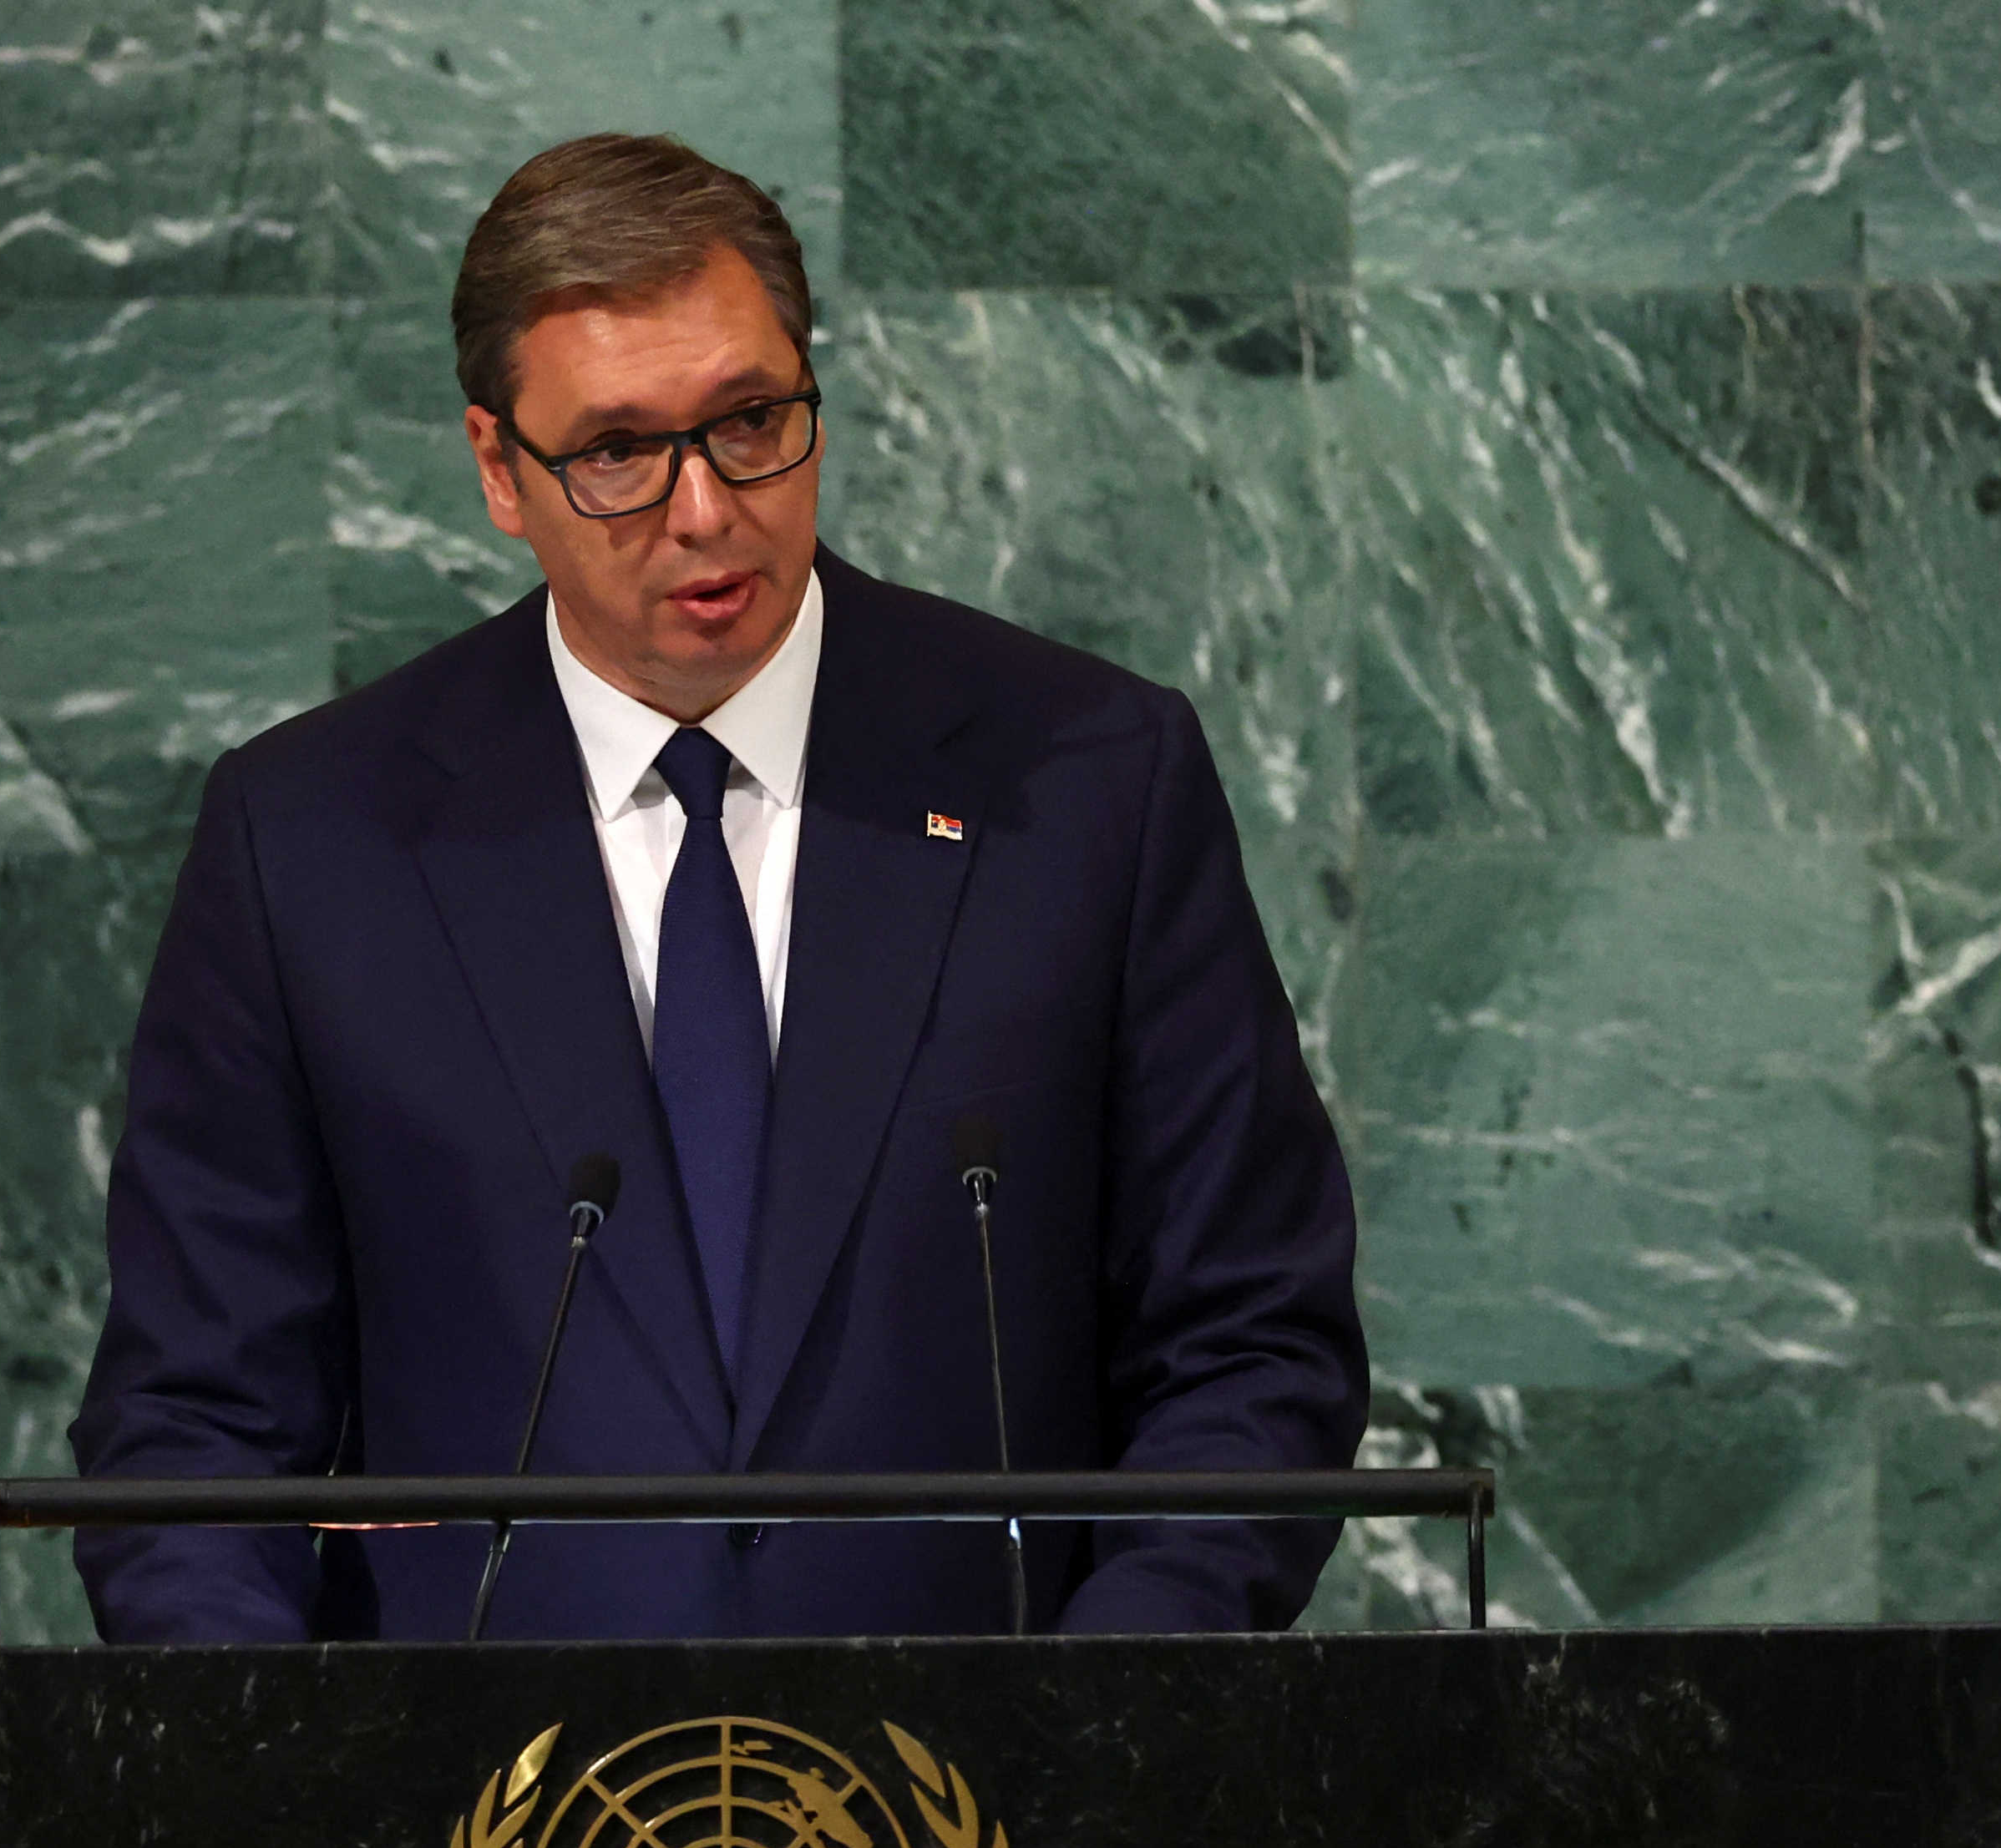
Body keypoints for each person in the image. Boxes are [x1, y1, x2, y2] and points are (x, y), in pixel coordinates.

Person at [68, 134, 1364, 1642]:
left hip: (1000, 1772)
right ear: (497, 468)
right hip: (475, 1782)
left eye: (751, 420)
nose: (703, 509)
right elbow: (195, 1427)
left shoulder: (1084, 782)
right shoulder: (311, 840)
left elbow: (1248, 1341)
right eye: (617, 450)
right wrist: (277, 1753)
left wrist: (1100, 1716)